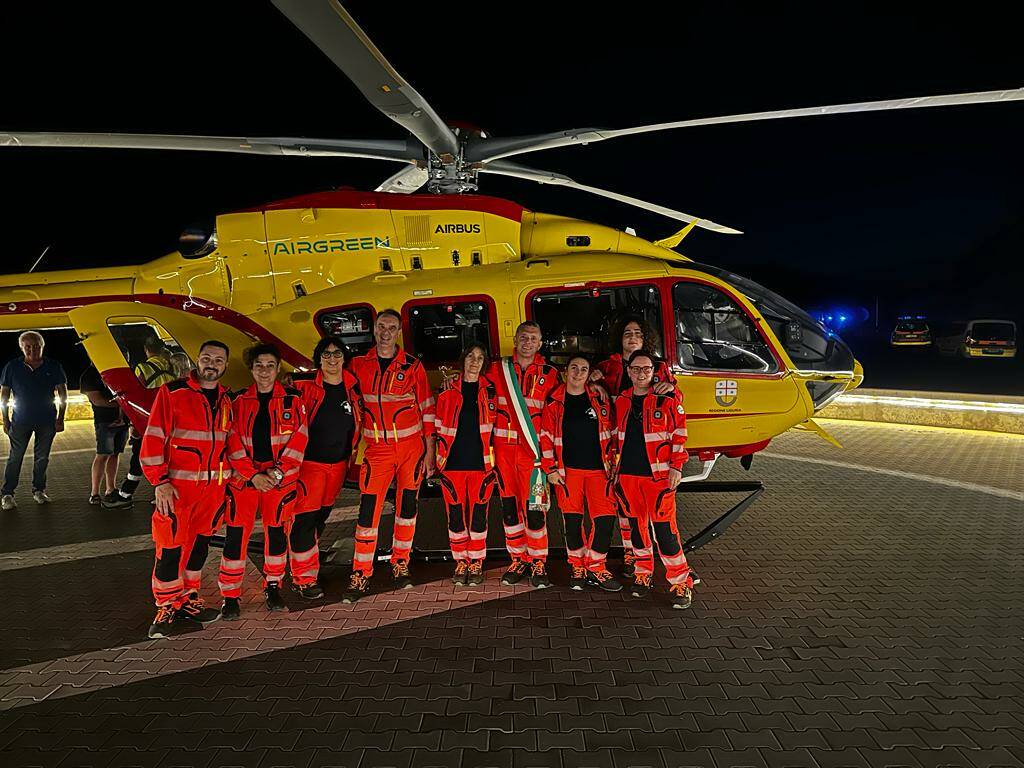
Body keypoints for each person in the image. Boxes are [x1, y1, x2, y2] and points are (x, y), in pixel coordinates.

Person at [140, 340, 233, 639]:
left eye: (218, 360)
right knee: (169, 548)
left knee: (198, 549)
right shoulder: (173, 393)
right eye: (206, 357)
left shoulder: (227, 400)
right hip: (177, 491)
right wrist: (159, 481)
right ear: (197, 359)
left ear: (225, 366)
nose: (211, 364)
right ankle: (166, 605)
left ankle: (188, 599)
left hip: (212, 492)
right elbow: (154, 437)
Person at [345, 309, 436, 602]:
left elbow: (427, 410)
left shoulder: (412, 366)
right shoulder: (358, 364)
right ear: (374, 329)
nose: (386, 332)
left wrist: (431, 453)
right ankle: (361, 572)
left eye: (392, 327)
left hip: (412, 449)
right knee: (368, 512)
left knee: (407, 509)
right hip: (378, 450)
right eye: (381, 326)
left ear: (398, 332)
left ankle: (401, 563)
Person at [218, 344, 308, 619]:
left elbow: (300, 440)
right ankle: (230, 595)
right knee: (235, 538)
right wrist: (253, 475)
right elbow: (230, 441)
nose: (265, 370)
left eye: (270, 365)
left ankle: (273, 587)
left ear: (278, 368)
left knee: (277, 536)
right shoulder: (236, 401)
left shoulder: (294, 400)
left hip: (279, 484)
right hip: (244, 482)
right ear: (252, 369)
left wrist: (276, 474)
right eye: (260, 365)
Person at [591, 315, 676, 578]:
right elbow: (586, 392)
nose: (632, 337)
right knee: (626, 509)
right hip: (618, 444)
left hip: (650, 452)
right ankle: (633, 556)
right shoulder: (607, 366)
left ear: (645, 339)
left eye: (637, 333)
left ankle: (651, 561)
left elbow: (676, 402)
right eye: (627, 332)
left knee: (657, 514)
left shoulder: (659, 367)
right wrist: (593, 382)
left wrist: (671, 386)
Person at [612, 350, 695, 609]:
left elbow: (679, 435)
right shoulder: (622, 400)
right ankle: (642, 574)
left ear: (653, 371)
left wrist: (676, 467)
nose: (641, 374)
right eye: (636, 369)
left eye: (646, 369)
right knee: (637, 530)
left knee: (665, 533)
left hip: (658, 478)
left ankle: (681, 582)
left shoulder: (667, 399)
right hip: (628, 476)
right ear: (628, 371)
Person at [486, 321, 561, 588]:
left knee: (536, 511)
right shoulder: (497, 369)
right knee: (509, 510)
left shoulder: (551, 374)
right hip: (504, 454)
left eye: (533, 338)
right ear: (515, 340)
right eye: (523, 337)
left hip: (535, 457)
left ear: (540, 344)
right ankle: (518, 559)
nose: (528, 342)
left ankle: (538, 562)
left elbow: (559, 412)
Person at [540, 354, 622, 592]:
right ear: (566, 372)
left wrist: (614, 464)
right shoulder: (554, 400)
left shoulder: (598, 397)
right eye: (573, 368)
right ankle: (577, 565)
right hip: (568, 473)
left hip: (599, 471)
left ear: (589, 374)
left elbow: (614, 433)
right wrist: (550, 469)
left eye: (583, 369)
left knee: (605, 521)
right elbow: (545, 437)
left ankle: (597, 566)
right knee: (573, 522)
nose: (578, 373)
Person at [289, 336, 362, 600]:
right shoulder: (303, 387)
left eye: (337, 354)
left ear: (344, 358)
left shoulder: (352, 387)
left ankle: (307, 561)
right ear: (319, 359)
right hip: (310, 465)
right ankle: (303, 579)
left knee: (320, 517)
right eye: (327, 354)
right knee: (304, 520)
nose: (332, 359)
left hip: (338, 465)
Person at [433, 343, 498, 586]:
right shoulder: (447, 388)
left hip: (482, 465)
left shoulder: (490, 391)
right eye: (470, 356)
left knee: (479, 516)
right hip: (451, 464)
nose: (474, 361)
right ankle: (461, 560)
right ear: (463, 359)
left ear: (484, 363)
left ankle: (477, 560)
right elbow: (437, 424)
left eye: (480, 357)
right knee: (456, 517)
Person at [104, 336, 176, 509]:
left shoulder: (142, 368)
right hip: (169, 419)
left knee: (139, 458)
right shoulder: (172, 368)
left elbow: (133, 397)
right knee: (165, 457)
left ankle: (125, 495)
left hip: (146, 420)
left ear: (146, 349)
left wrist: (128, 421)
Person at [1, 331, 67, 510]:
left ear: (42, 346)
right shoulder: (12, 367)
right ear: (22, 347)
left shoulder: (53, 366)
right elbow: (5, 395)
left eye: (37, 346)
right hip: (20, 421)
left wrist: (60, 418)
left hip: (47, 421)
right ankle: (7, 494)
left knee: (42, 458)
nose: (32, 350)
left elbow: (62, 393)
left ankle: (39, 490)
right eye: (28, 347)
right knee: (15, 457)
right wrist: (5, 420)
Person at [79, 363, 129, 505]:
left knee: (114, 454)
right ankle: (94, 493)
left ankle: (110, 488)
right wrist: (122, 404)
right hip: (104, 421)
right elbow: (97, 400)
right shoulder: (89, 375)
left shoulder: (117, 371)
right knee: (102, 455)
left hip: (122, 420)